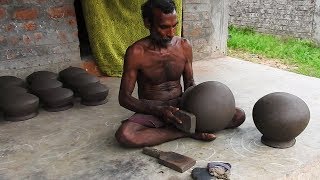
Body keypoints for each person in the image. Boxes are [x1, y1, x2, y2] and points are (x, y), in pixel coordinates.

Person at [115, 0, 245, 148]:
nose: (171, 33)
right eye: (164, 27)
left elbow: (190, 84)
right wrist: (159, 110)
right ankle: (184, 132)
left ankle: (185, 127)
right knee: (125, 135)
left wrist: (201, 103)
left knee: (237, 116)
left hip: (183, 106)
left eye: (174, 26)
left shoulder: (183, 46)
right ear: (147, 23)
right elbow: (124, 98)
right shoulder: (136, 52)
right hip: (154, 109)